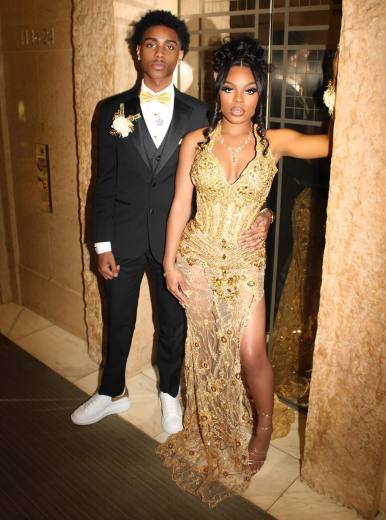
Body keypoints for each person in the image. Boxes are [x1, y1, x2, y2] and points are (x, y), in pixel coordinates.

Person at [71, 12, 271, 434]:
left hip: (178, 244)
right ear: (137, 51)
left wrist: (264, 213)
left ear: (180, 54)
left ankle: (169, 393)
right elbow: (102, 181)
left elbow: (235, 175)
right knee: (118, 318)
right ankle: (112, 391)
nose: (159, 53)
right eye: (151, 44)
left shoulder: (202, 113)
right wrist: (102, 244)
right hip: (123, 236)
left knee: (173, 325)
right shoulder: (111, 110)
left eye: (169, 46)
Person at [156, 38, 329, 506]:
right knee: (209, 350)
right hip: (199, 257)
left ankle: (263, 427)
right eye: (230, 89)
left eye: (249, 90)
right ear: (217, 90)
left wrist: (336, 91)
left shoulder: (277, 142)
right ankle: (212, 423)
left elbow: (339, 142)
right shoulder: (195, 142)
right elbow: (180, 205)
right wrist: (170, 264)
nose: (238, 100)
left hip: (245, 262)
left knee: (252, 352)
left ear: (261, 94)